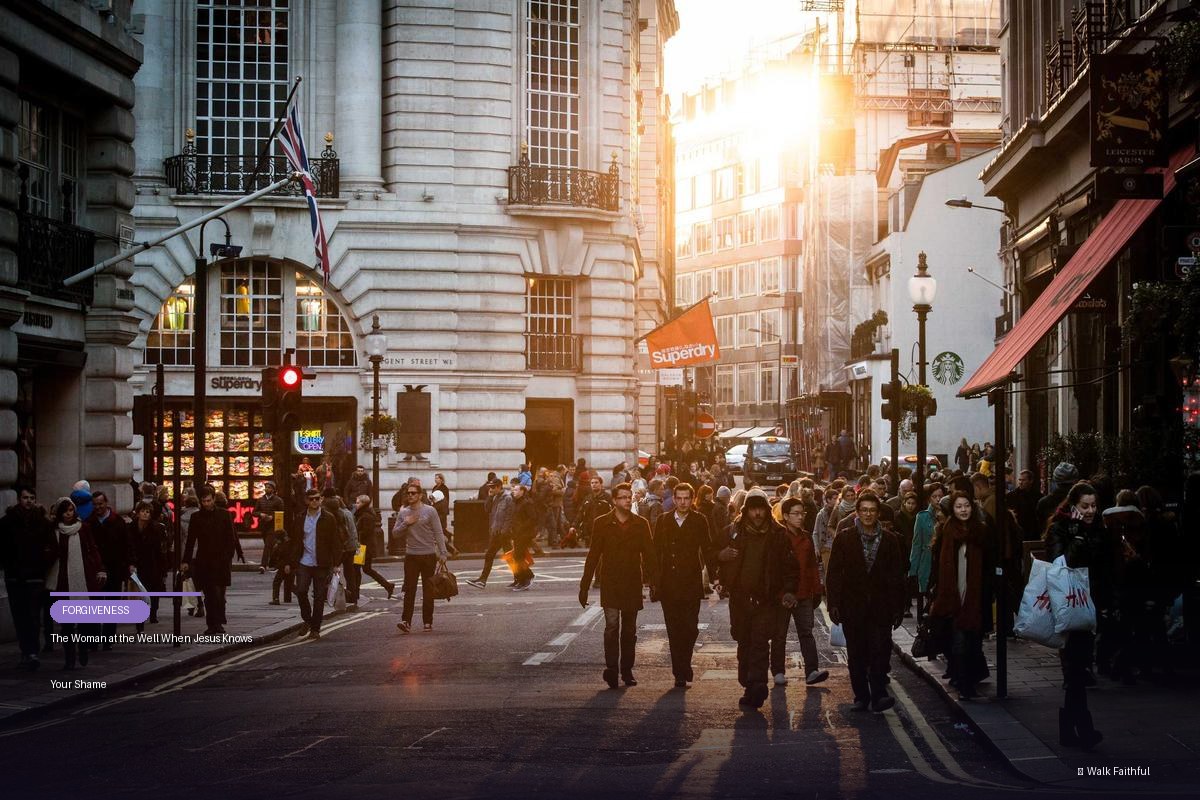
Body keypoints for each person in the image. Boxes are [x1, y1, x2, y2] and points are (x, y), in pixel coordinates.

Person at [717, 489, 799, 710]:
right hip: (739, 598)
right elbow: (713, 554)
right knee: (743, 640)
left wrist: (789, 591)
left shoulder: (778, 535)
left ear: (767, 509)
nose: (757, 514)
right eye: (753, 509)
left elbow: (791, 568)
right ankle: (748, 683)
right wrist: (720, 557)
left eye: (761, 508)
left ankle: (759, 683)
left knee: (760, 643)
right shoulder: (733, 532)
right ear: (746, 511)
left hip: (766, 599)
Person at [826, 491, 906, 713]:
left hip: (881, 608)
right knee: (857, 654)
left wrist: (899, 607)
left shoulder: (890, 540)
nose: (868, 514)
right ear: (857, 512)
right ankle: (861, 696)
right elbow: (834, 573)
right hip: (853, 607)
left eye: (872, 510)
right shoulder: (845, 537)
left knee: (880, 651)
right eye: (864, 510)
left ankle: (879, 694)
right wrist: (833, 602)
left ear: (878, 513)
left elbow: (897, 575)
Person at [1043, 481, 1108, 749]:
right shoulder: (1060, 528)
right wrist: (1079, 535)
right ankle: (1083, 728)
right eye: (1085, 506)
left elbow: (1104, 569)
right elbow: (1063, 564)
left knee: (1077, 670)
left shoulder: (1100, 528)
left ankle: (1069, 729)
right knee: (1076, 668)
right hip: (1069, 605)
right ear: (1073, 506)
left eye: (1094, 505)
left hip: (1091, 605)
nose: (1091, 511)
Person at [579, 482, 657, 689]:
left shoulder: (640, 523)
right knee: (612, 627)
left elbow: (650, 555)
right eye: (622, 497)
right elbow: (594, 554)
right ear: (614, 500)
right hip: (611, 581)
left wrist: (654, 582)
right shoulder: (602, 523)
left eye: (628, 496)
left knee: (629, 630)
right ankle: (612, 669)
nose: (626, 500)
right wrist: (584, 585)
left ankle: (627, 670)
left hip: (632, 581)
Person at [929, 491, 989, 699]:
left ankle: (968, 681)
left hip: (975, 596)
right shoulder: (948, 531)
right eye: (958, 506)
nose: (963, 510)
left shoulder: (980, 531)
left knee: (974, 642)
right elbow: (939, 564)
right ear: (952, 510)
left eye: (966, 505)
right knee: (959, 642)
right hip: (953, 596)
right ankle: (964, 686)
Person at [652, 483, 711, 688]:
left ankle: (684, 664)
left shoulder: (699, 520)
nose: (683, 502)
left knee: (691, 628)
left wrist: (716, 579)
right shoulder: (663, 521)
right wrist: (653, 580)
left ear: (692, 499)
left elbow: (708, 549)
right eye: (679, 498)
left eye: (687, 498)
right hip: (669, 584)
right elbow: (655, 552)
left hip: (691, 583)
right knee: (674, 629)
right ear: (674, 499)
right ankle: (680, 671)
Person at [0, 486, 56, 669]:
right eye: (25, 498)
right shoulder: (7, 522)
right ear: (19, 499)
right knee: (19, 616)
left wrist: (42, 565)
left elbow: (53, 549)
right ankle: (26, 650)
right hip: (15, 577)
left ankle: (32, 651)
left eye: (32, 497)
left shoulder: (43, 522)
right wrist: (8, 565)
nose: (29, 501)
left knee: (33, 615)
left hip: (35, 577)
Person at [776, 498, 829, 687]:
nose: (800, 517)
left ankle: (812, 671)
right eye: (796, 514)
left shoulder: (806, 537)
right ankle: (778, 672)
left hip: (805, 593)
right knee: (779, 634)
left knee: (806, 633)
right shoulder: (778, 537)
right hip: (782, 595)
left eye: (802, 514)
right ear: (785, 516)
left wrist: (817, 589)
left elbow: (813, 566)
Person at [45, 498, 104, 669]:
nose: (69, 514)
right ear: (59, 513)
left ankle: (83, 649)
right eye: (65, 511)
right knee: (67, 625)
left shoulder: (83, 528)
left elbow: (92, 548)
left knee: (84, 622)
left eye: (71, 510)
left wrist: (100, 568)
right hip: (63, 580)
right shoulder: (55, 530)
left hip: (82, 578)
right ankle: (69, 658)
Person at [182, 486, 243, 635]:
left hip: (221, 561)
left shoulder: (225, 515)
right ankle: (212, 625)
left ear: (214, 499)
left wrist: (228, 557)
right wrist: (186, 560)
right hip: (205, 561)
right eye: (204, 501)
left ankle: (219, 623)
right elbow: (190, 541)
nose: (207, 504)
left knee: (219, 595)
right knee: (209, 595)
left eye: (209, 500)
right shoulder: (196, 518)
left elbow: (231, 538)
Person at [285, 489, 343, 640]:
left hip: (322, 563)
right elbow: (294, 542)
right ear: (306, 501)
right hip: (304, 561)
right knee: (301, 591)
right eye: (311, 499)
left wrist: (337, 563)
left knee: (319, 597)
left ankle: (315, 629)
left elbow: (335, 541)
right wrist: (289, 562)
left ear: (321, 499)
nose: (314, 502)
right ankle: (308, 619)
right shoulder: (300, 518)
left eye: (317, 499)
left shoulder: (328, 518)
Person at [393, 481, 449, 633]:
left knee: (428, 590)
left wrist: (443, 553)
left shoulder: (430, 511)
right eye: (408, 493)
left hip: (428, 555)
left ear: (420, 495)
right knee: (409, 590)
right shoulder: (404, 512)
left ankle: (427, 622)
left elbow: (438, 532)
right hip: (411, 556)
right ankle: (406, 621)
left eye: (413, 493)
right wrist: (405, 523)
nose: (410, 495)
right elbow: (395, 534)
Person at [89, 491, 135, 648]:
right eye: (95, 504)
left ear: (106, 503)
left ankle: (107, 638)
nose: (98, 507)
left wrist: (129, 563)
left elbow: (127, 544)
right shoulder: (89, 522)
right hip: (95, 569)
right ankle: (93, 639)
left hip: (115, 568)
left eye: (100, 504)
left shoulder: (117, 521)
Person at [468, 478, 515, 589]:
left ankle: (519, 577)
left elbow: (509, 516)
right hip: (496, 532)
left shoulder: (508, 498)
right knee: (500, 556)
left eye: (493, 487)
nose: (491, 489)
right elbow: (487, 509)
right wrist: (489, 496)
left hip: (503, 533)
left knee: (500, 556)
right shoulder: (495, 497)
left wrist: (504, 530)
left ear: (499, 487)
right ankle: (483, 580)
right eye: (490, 487)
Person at [130, 500, 170, 625]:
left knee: (153, 589)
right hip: (138, 563)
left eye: (148, 512)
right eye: (143, 511)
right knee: (140, 589)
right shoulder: (131, 527)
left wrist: (163, 569)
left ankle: (153, 612)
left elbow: (161, 550)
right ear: (138, 513)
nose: (145, 514)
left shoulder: (157, 528)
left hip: (153, 563)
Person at [909, 482, 944, 621]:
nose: (938, 499)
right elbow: (916, 544)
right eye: (934, 496)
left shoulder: (948, 515)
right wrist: (913, 570)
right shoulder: (922, 517)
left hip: (942, 561)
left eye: (940, 496)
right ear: (929, 498)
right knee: (926, 596)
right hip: (927, 561)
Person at [354, 494, 395, 600]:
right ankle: (387, 586)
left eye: (358, 502)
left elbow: (364, 532)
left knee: (359, 570)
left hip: (362, 547)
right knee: (364, 569)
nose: (356, 504)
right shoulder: (363, 514)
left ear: (363, 503)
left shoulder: (365, 515)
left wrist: (357, 535)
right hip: (363, 546)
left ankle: (356, 593)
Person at [324, 492, 361, 610]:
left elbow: (343, 533)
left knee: (332, 571)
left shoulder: (338, 515)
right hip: (351, 546)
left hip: (344, 547)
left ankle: (330, 595)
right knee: (350, 573)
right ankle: (353, 596)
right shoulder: (348, 513)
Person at [508, 480, 538, 591]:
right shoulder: (516, 502)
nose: (513, 491)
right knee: (517, 557)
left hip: (524, 534)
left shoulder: (527, 502)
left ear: (522, 491)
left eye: (516, 490)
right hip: (517, 534)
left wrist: (522, 528)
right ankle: (521, 579)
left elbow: (533, 518)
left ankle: (527, 577)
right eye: (513, 489)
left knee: (519, 557)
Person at [567, 475, 612, 548]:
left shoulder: (607, 498)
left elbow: (614, 512)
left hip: (603, 531)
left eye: (596, 482)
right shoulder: (588, 498)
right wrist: (573, 526)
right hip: (589, 531)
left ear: (601, 484)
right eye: (592, 483)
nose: (594, 485)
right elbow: (580, 513)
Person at [254, 481, 286, 576]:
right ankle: (276, 564)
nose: (267, 489)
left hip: (273, 526)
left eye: (269, 487)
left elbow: (282, 512)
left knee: (268, 545)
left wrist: (272, 516)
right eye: (266, 487)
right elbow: (254, 512)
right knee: (270, 546)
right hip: (263, 526)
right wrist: (260, 514)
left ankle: (263, 565)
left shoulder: (278, 500)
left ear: (273, 489)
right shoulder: (260, 500)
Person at [1037, 462, 1078, 532]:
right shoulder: (1081, 500)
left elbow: (1041, 527)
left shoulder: (1043, 502)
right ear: (1075, 481)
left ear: (1055, 480)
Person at [1007, 469, 1040, 540]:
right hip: (1017, 533)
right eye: (1019, 480)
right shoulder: (1011, 496)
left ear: (1031, 481)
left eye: (1023, 480)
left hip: (1032, 533)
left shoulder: (1038, 496)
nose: (1020, 482)